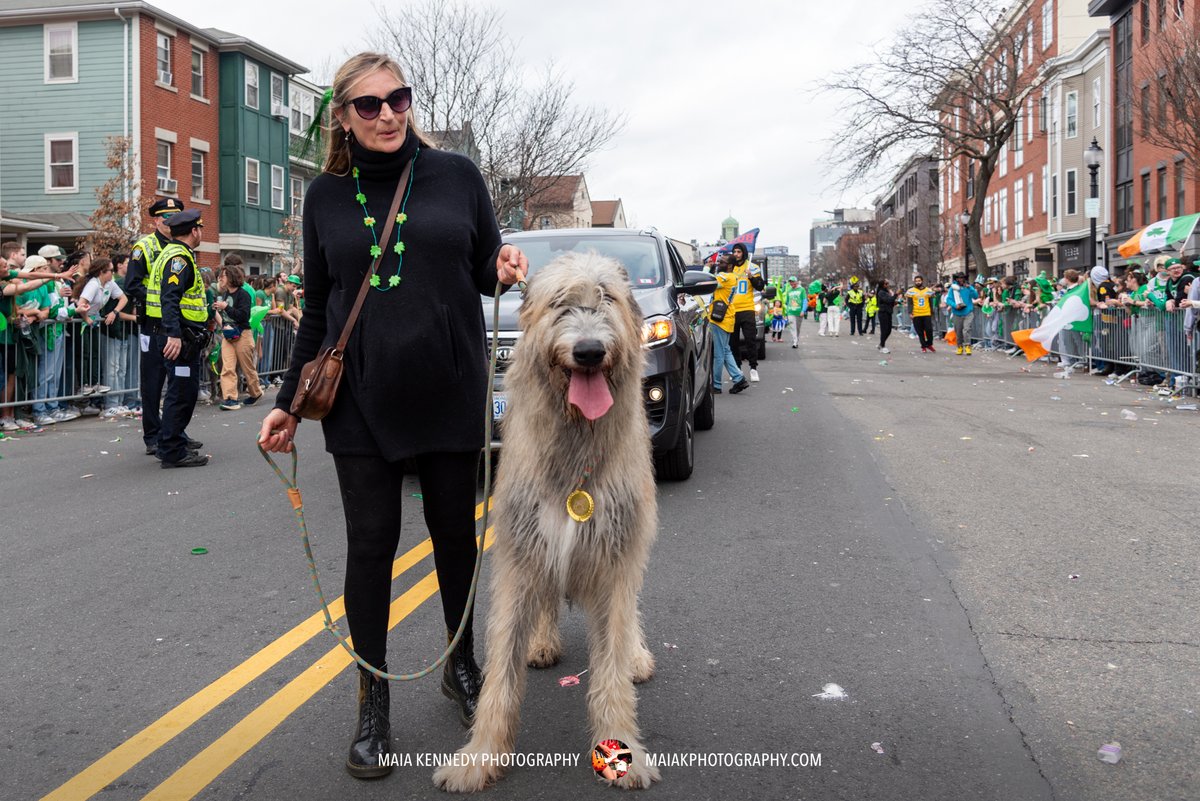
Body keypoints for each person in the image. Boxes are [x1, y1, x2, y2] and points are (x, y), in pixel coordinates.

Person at [256, 51, 529, 780]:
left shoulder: (458, 176)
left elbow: (482, 268)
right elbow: (318, 308)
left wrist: (501, 267)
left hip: (447, 389)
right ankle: (371, 700)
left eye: (398, 99)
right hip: (360, 401)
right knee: (370, 548)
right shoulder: (324, 196)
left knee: (454, 540)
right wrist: (286, 403)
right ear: (342, 116)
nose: (387, 114)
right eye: (369, 105)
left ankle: (459, 664)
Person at [125, 198, 198, 456]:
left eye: (175, 218)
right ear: (156, 221)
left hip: (175, 322)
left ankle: (174, 432)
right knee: (153, 381)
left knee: (178, 383)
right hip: (152, 323)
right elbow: (132, 284)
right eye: (166, 218)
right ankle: (153, 435)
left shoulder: (181, 246)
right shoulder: (144, 247)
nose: (170, 222)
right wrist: (157, 298)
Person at [154, 209, 210, 467]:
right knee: (181, 393)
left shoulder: (175, 253)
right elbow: (170, 298)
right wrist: (174, 335)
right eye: (200, 228)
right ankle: (172, 451)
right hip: (179, 339)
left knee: (182, 391)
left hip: (181, 336)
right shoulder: (179, 259)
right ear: (194, 231)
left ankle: (172, 442)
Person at [75, 257, 131, 416]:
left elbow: (123, 298)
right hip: (83, 320)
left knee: (94, 354)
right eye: (110, 271)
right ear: (102, 272)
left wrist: (114, 312)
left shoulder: (109, 283)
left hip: (94, 320)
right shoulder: (93, 284)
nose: (113, 273)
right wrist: (86, 319)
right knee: (85, 353)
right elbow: (81, 303)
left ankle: (94, 383)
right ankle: (84, 384)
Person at [214, 261, 262, 410]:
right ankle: (230, 398)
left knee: (247, 368)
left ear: (232, 277)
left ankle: (255, 392)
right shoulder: (225, 294)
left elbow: (243, 316)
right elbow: (227, 315)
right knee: (227, 367)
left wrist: (226, 307)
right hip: (228, 334)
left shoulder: (244, 295)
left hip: (243, 334)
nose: (221, 278)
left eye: (224, 276)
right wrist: (217, 310)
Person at [708, 256, 750, 394]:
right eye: (719, 262)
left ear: (730, 265)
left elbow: (708, 282)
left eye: (722, 262)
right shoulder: (731, 276)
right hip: (726, 317)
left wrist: (708, 268)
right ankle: (739, 379)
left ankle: (717, 385)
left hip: (720, 319)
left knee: (719, 355)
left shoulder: (725, 277)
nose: (718, 264)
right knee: (725, 351)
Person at [725, 243, 763, 382]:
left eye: (739, 251)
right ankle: (737, 368)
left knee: (750, 340)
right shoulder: (730, 268)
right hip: (732, 310)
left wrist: (752, 277)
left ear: (744, 253)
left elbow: (760, 286)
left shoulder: (752, 267)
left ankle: (753, 368)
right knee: (733, 342)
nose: (736, 254)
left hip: (747, 308)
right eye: (734, 251)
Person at [942, 272, 980, 355]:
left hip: (968, 312)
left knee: (966, 330)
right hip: (957, 313)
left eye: (962, 278)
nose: (961, 279)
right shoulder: (953, 288)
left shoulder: (968, 287)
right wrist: (955, 306)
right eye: (959, 278)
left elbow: (976, 296)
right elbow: (948, 300)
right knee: (958, 331)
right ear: (956, 279)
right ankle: (959, 346)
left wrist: (970, 288)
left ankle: (967, 346)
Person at [905, 274, 936, 352]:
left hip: (926, 313)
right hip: (916, 313)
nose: (918, 282)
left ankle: (929, 344)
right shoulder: (911, 291)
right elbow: (910, 303)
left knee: (929, 330)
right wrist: (910, 312)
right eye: (916, 281)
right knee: (920, 331)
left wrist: (932, 311)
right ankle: (923, 346)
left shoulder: (928, 290)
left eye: (919, 281)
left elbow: (931, 301)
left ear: (922, 281)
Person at [874, 279, 897, 354]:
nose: (888, 285)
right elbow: (888, 300)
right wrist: (896, 294)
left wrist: (895, 302)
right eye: (886, 284)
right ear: (882, 285)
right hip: (883, 313)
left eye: (888, 283)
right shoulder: (881, 292)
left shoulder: (886, 292)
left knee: (889, 330)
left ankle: (881, 344)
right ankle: (882, 346)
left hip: (888, 312)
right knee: (884, 330)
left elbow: (890, 301)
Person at [784, 276, 805, 348]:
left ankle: (796, 339)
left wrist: (803, 310)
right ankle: (795, 341)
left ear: (796, 282)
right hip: (791, 312)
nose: (791, 283)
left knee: (797, 328)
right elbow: (787, 302)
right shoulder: (789, 290)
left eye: (793, 281)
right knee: (792, 327)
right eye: (790, 282)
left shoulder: (802, 290)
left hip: (799, 312)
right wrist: (785, 312)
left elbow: (805, 301)